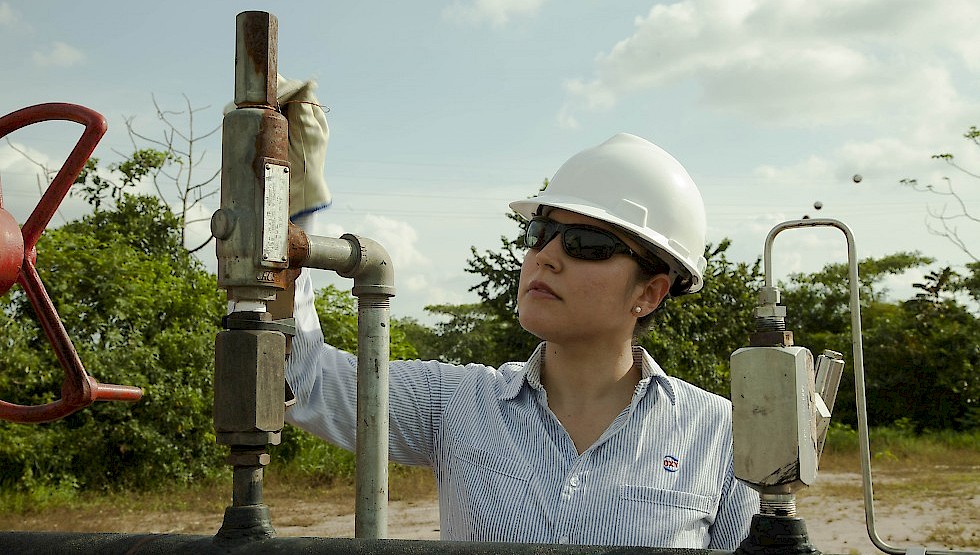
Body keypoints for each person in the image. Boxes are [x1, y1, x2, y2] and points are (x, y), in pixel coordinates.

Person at [284, 133, 760, 548]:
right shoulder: (458, 404)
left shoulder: (722, 435)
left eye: (586, 245)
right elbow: (308, 381)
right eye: (540, 234)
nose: (546, 256)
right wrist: (289, 209)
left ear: (650, 292)